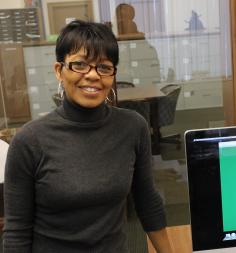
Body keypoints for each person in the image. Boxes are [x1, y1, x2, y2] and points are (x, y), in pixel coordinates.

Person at [3, 20, 173, 253]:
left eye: (103, 67)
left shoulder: (133, 127)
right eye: (80, 65)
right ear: (58, 71)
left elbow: (148, 202)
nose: (93, 75)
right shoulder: (30, 141)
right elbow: (17, 232)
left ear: (113, 74)